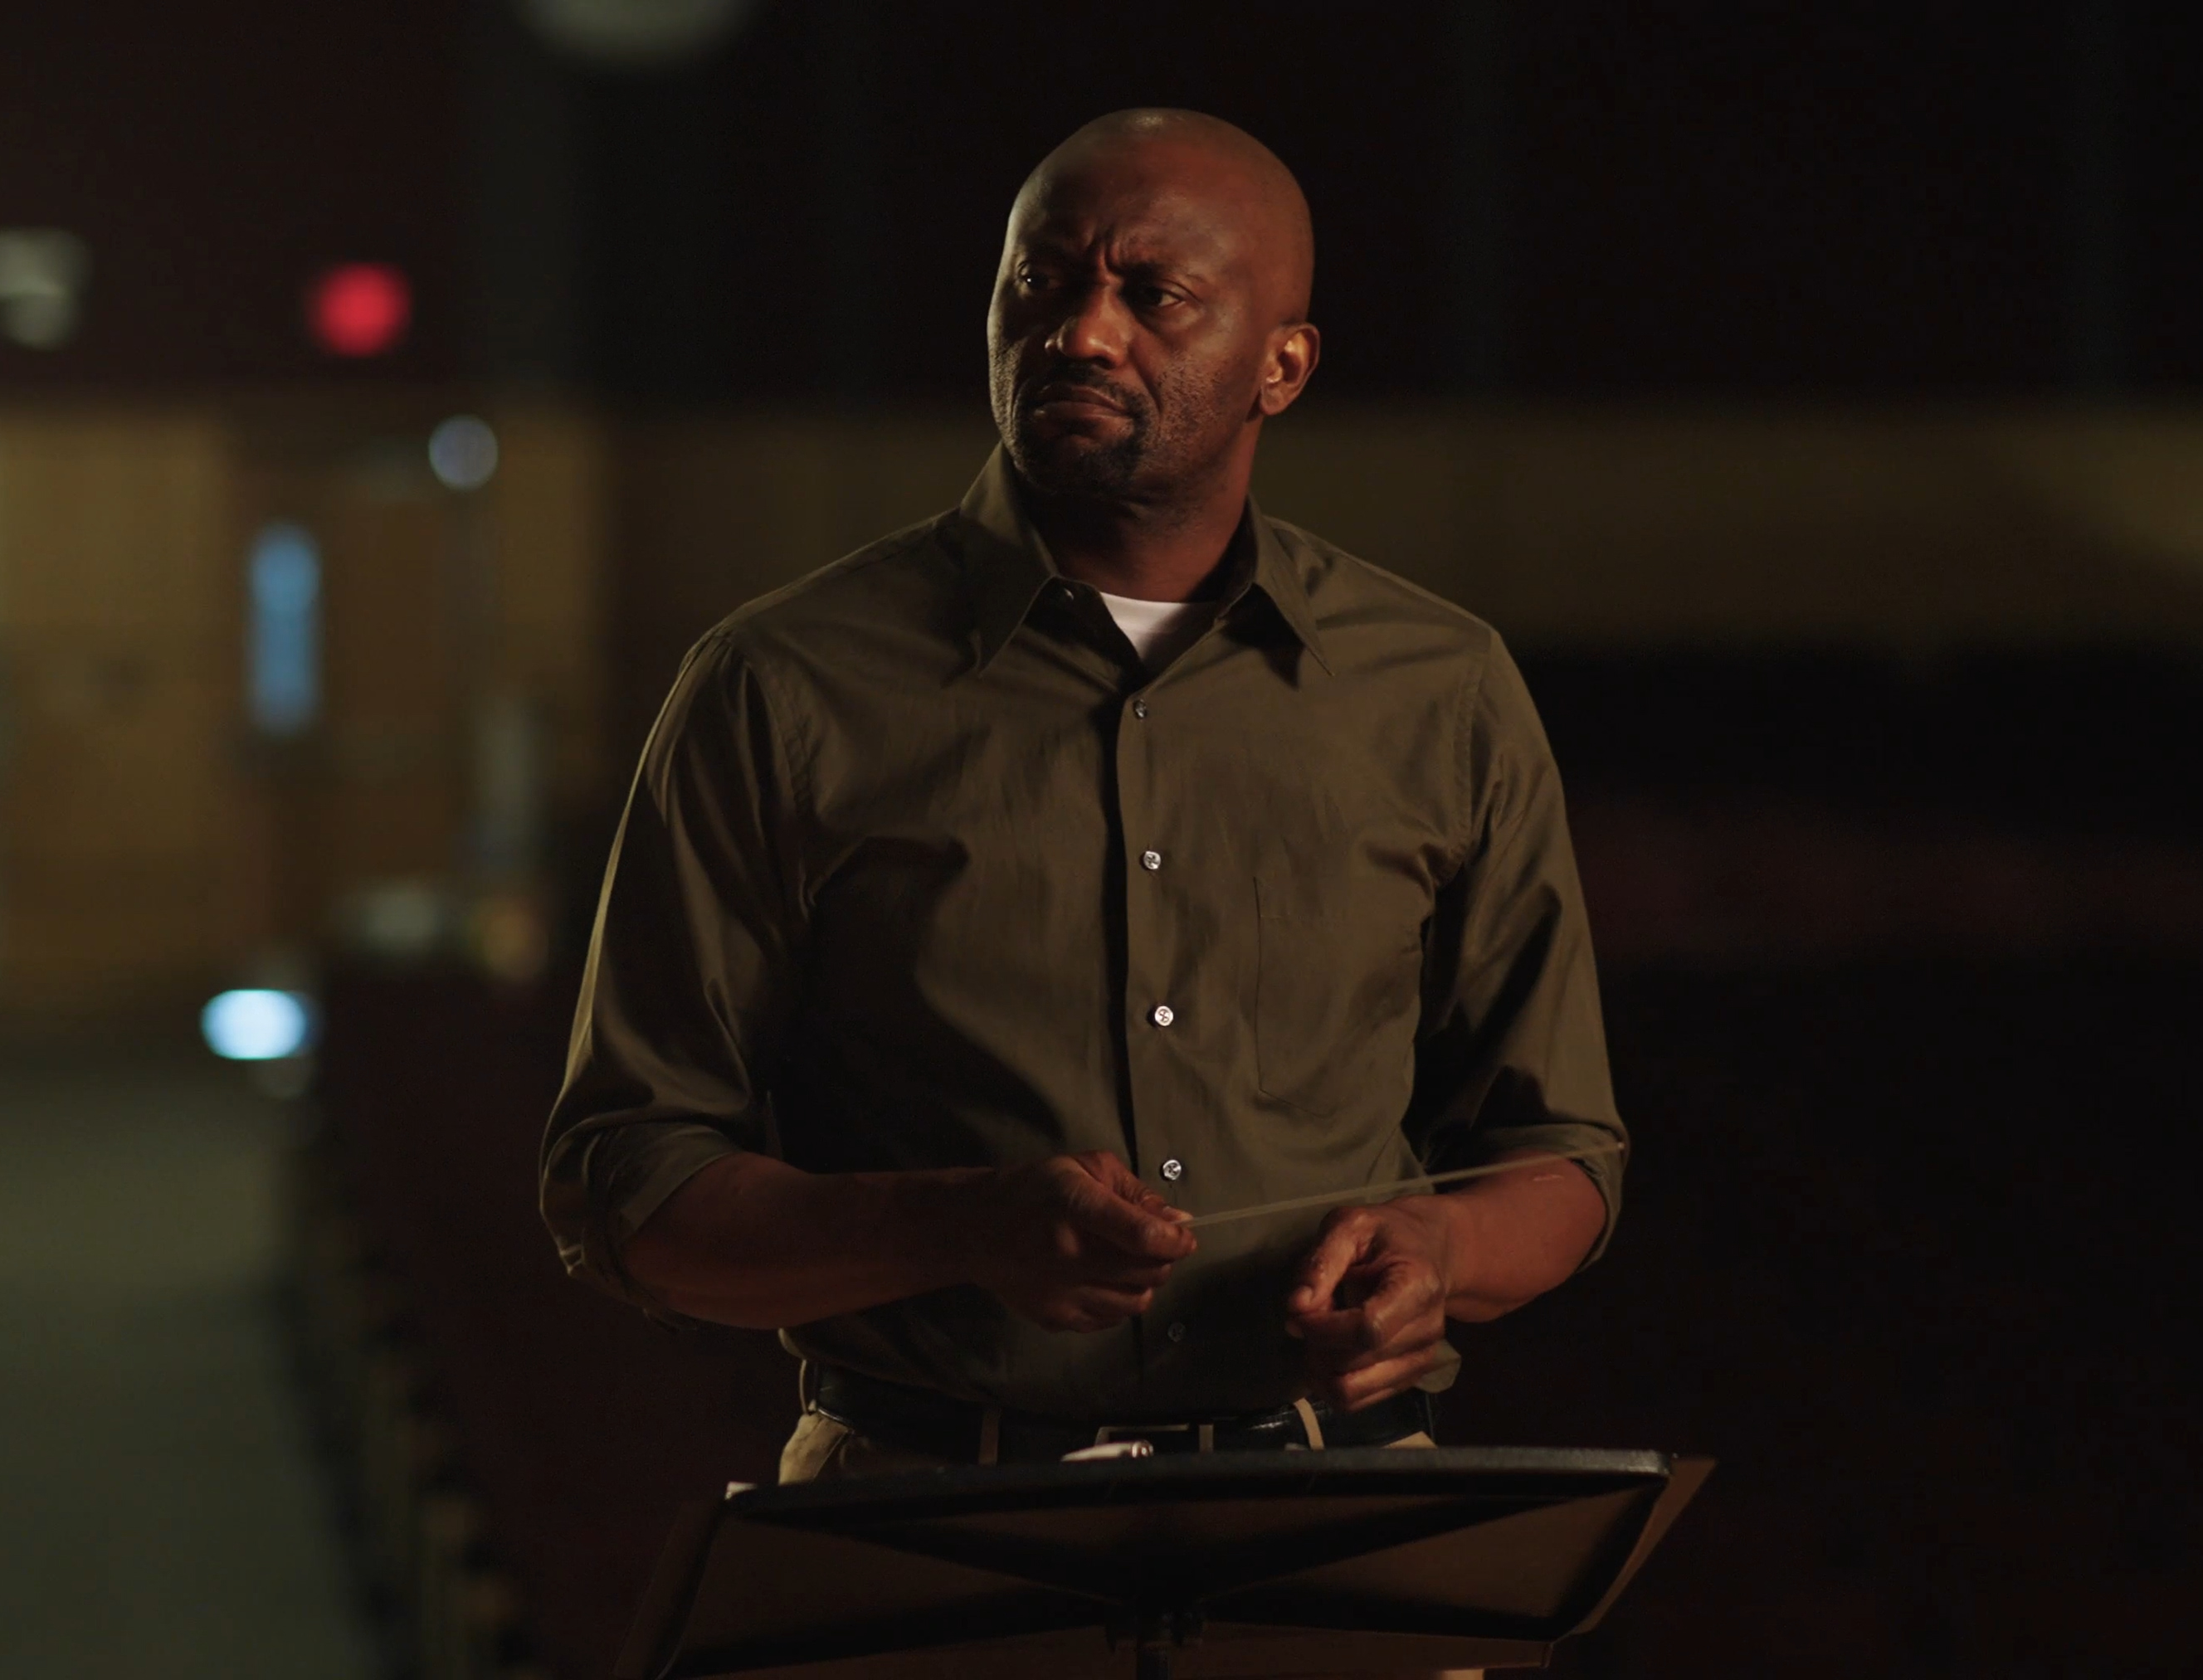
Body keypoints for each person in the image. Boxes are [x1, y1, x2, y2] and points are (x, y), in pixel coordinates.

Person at [540, 109, 1622, 1488]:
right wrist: (958, 1225)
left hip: (1332, 1499)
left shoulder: (1441, 687)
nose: (1081, 333)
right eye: (1041, 283)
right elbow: (627, 1184)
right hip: (922, 1507)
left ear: (1283, 366)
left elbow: (1564, 1153)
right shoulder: (780, 685)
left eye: (1152, 295)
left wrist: (1443, 1249)